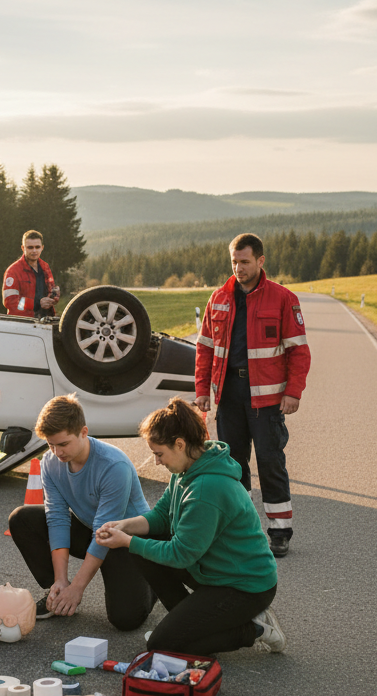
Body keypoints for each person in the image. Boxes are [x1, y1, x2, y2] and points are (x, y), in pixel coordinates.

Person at [96, 397, 285, 656]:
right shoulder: (187, 469)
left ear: (180, 444)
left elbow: (181, 554)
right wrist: (125, 526)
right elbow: (161, 518)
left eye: (159, 454)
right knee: (142, 548)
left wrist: (127, 541)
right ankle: (193, 625)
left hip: (245, 587)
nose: (157, 462)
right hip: (215, 572)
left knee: (161, 645)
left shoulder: (206, 489)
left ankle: (255, 629)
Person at [194, 233, 311, 558]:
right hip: (229, 396)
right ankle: (240, 530)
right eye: (234, 261)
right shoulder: (218, 298)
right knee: (233, 465)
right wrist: (203, 390)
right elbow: (204, 350)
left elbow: (299, 352)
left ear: (260, 261)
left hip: (268, 399)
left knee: (271, 462)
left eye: (244, 261)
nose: (238, 267)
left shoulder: (283, 298)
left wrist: (293, 392)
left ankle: (279, 532)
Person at [7, 394, 156, 629]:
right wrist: (63, 581)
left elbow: (106, 533)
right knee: (21, 519)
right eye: (50, 444)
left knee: (126, 620)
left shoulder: (113, 466)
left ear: (83, 432)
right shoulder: (49, 463)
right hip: (93, 529)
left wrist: (79, 588)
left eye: (63, 444)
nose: (57, 452)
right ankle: (57, 592)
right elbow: (56, 518)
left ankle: (154, 578)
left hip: (128, 539)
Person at [2, 229, 60, 317]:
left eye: (37, 247)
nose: (34, 251)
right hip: (22, 323)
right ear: (23, 248)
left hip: (45, 321)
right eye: (30, 247)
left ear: (42, 247)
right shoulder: (13, 271)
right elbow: (10, 302)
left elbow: (50, 289)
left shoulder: (45, 267)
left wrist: (54, 297)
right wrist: (37, 303)